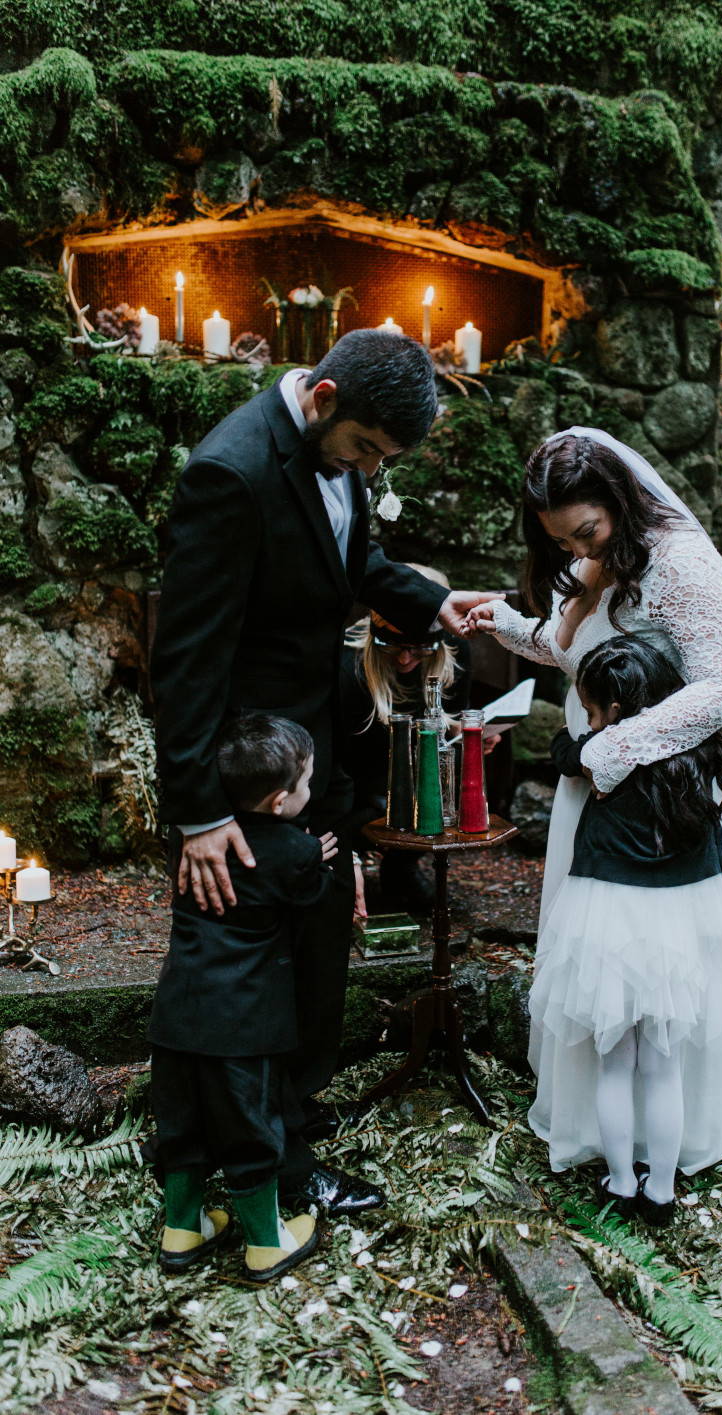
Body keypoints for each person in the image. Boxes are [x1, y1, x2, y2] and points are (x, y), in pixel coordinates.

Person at [150, 330, 501, 1216]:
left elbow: (355, 563)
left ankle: (280, 1130)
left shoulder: (334, 451)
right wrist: (198, 814)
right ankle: (266, 1165)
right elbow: (185, 660)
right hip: (247, 776)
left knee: (316, 952)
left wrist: (432, 600)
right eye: (367, 450)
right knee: (255, 972)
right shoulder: (228, 474)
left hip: (312, 752)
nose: (370, 468)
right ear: (325, 394)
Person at [465, 427, 722, 1183]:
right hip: (597, 796)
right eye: (560, 539)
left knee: (655, 975)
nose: (573, 550)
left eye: (584, 531)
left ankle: (665, 1146)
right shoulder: (601, 558)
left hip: (663, 803)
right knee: (600, 971)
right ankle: (604, 1133)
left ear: (619, 500)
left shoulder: (684, 563)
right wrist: (496, 619)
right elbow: (579, 652)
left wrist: (612, 751)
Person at [538, 638, 722, 1224]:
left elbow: (562, 751)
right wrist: (687, 713)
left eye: (591, 710)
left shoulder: (597, 752)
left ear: (612, 712)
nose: (586, 723)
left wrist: (589, 736)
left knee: (615, 1061)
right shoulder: (709, 744)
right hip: (683, 916)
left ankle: (618, 1181)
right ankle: (660, 1192)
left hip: (608, 915)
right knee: (663, 1065)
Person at [149, 714, 340, 1282]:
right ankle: (265, 1243)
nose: (311, 790)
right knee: (251, 1127)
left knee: (179, 1123)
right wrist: (318, 861)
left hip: (178, 1014)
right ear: (282, 801)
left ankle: (181, 1231)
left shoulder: (193, 839)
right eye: (307, 783)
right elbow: (312, 901)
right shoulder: (295, 853)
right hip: (245, 1023)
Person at [340, 564, 475, 913]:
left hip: (419, 779)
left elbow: (452, 720)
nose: (404, 658)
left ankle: (402, 868)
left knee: (436, 789)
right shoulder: (348, 668)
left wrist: (467, 735)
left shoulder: (456, 657)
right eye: (391, 645)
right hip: (356, 787)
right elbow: (333, 761)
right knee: (394, 802)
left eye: (419, 648)